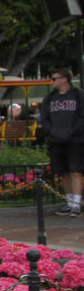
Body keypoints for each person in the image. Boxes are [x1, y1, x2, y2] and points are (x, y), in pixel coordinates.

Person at [40, 67, 84, 217]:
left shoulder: (78, 95)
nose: (52, 81)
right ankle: (69, 202)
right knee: (64, 172)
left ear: (64, 79)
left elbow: (82, 117)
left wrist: (72, 131)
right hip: (56, 139)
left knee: (76, 171)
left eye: (54, 78)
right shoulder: (50, 97)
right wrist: (51, 131)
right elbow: (44, 118)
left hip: (75, 139)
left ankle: (77, 204)